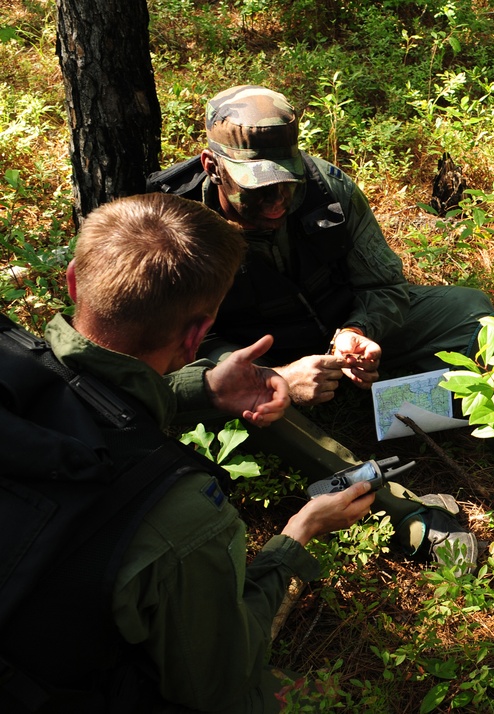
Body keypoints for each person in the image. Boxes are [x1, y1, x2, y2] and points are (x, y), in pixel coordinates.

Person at [148, 84, 494, 536]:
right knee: (256, 405)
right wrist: (274, 375)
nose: (277, 203)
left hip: (336, 329)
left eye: (286, 183)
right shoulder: (174, 226)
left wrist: (359, 329)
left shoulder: (325, 189)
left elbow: (384, 283)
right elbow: (176, 357)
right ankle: (408, 518)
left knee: (477, 315)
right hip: (251, 358)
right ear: (212, 166)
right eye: (256, 189)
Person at [0, 193, 375, 712]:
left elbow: (77, 398)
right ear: (199, 334)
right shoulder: (180, 517)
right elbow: (214, 686)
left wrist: (201, 392)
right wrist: (298, 533)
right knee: (309, 697)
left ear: (71, 281)